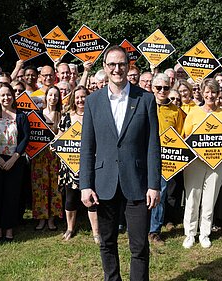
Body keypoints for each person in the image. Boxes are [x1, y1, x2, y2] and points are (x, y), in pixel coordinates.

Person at [79, 46, 161, 281]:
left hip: (137, 183)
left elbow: (153, 145)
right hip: (104, 183)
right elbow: (87, 147)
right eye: (112, 65)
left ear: (128, 66)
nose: (117, 69)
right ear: (104, 68)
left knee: (139, 246)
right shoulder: (93, 101)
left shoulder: (145, 99)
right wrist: (85, 184)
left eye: (121, 64)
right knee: (106, 242)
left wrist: (154, 185)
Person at [181, 79, 222, 249]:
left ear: (219, 94)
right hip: (195, 162)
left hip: (217, 163)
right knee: (192, 198)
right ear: (202, 93)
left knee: (210, 200)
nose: (210, 95)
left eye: (213, 92)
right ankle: (189, 233)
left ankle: (204, 233)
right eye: (207, 92)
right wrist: (195, 151)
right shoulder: (193, 113)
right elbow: (185, 138)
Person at [0, 83, 29, 241]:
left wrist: (14, 158)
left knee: (12, 194)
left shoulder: (21, 116)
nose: (6, 98)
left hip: (15, 161)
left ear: (13, 96)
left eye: (9, 94)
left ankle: (9, 227)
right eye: (2, 95)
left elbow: (24, 138)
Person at [56, 85, 100, 243]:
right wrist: (56, 143)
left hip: (89, 164)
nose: (81, 100)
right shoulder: (66, 117)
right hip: (70, 165)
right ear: (73, 99)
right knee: (70, 199)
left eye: (84, 96)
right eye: (78, 97)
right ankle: (70, 228)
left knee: (92, 198)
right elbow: (60, 137)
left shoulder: (95, 115)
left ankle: (96, 232)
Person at [149, 73, 185, 245]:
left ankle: (154, 231)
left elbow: (180, 136)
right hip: (144, 156)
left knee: (160, 194)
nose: (162, 91)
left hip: (165, 158)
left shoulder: (176, 111)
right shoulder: (144, 104)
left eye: (165, 88)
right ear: (152, 88)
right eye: (158, 88)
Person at [32, 86, 63, 232]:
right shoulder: (38, 114)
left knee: (54, 187)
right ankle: (41, 218)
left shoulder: (61, 115)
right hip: (39, 156)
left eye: (56, 95)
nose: (53, 98)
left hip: (55, 156)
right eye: (50, 95)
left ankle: (52, 219)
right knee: (40, 187)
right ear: (46, 96)